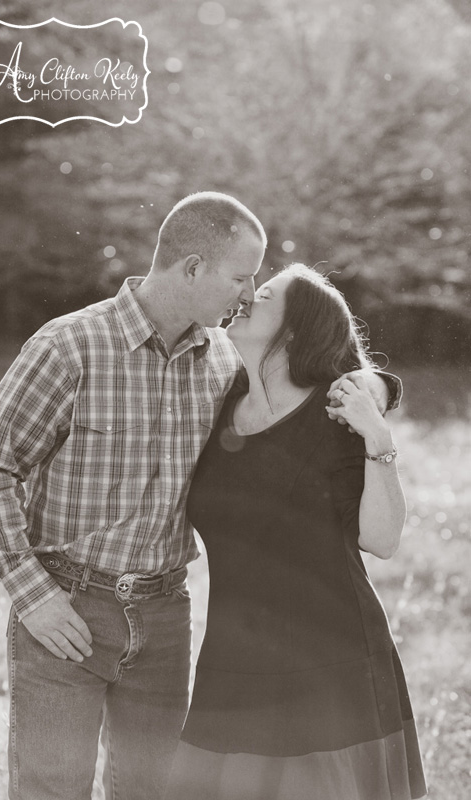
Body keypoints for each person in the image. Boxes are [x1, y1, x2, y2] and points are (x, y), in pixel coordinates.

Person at [0, 193, 398, 800]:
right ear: (193, 268)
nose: (248, 295)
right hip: (66, 606)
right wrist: (33, 597)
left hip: (165, 615)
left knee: (151, 790)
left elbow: (317, 368)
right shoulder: (69, 346)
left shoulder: (225, 361)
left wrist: (377, 387)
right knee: (51, 788)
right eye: (241, 277)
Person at [165, 264, 427, 800]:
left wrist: (377, 433)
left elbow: (381, 539)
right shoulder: (217, 397)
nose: (244, 297)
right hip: (233, 656)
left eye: (262, 294)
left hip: (330, 659)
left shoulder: (336, 414)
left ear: (295, 327)